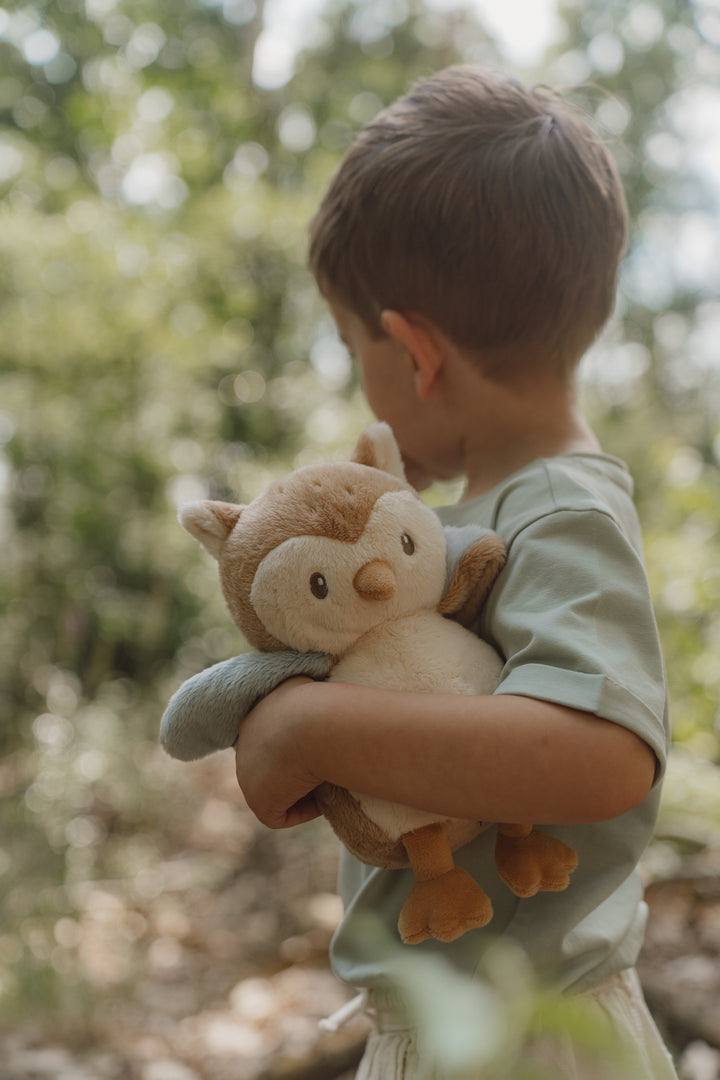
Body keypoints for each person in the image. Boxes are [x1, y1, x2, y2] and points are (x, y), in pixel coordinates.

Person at [232, 66, 678, 1078]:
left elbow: (600, 756)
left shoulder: (561, 508)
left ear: (416, 353)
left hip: (531, 1038)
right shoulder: (453, 529)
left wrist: (311, 728)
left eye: (355, 347)